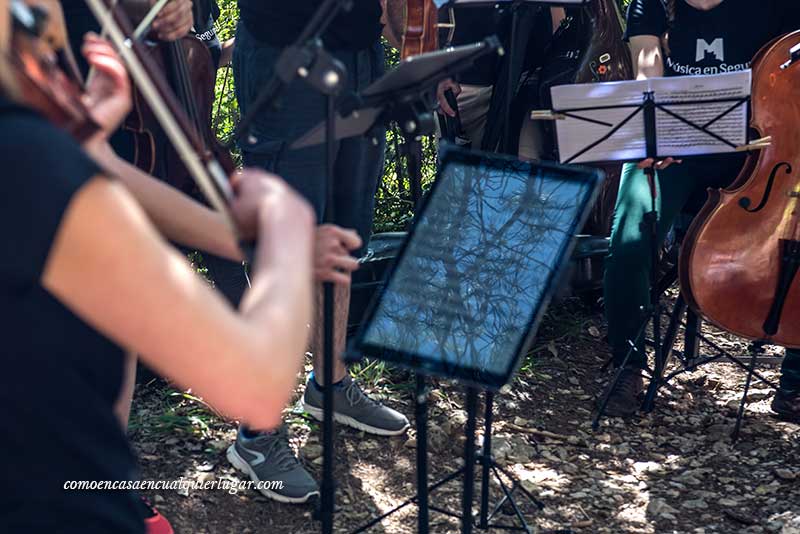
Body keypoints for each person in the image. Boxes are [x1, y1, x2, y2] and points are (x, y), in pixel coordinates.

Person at [0, 6, 317, 532]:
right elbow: (254, 383)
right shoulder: (27, 162)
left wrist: (83, 148)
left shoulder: (37, 151)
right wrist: (286, 223)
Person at [229, 0, 410, 504]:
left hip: (359, 55)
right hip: (284, 54)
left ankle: (329, 384)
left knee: (345, 232)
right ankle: (256, 433)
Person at [600, 0, 800, 422]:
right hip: (679, 149)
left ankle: (795, 381)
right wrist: (657, 134)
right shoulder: (651, 4)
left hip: (760, 150)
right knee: (630, 238)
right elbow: (648, 74)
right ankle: (627, 365)